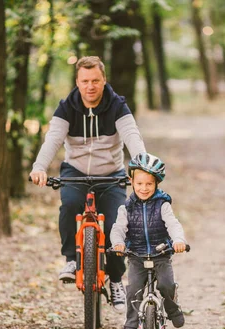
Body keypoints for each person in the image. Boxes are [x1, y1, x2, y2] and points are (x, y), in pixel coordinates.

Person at [30, 56, 145, 311]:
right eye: (85, 81)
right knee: (70, 204)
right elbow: (52, 140)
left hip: (111, 174)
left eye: (95, 80)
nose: (90, 86)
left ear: (104, 81)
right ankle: (71, 259)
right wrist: (39, 167)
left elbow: (133, 138)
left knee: (118, 222)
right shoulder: (66, 107)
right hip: (76, 172)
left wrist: (140, 167)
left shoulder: (117, 106)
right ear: (77, 82)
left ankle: (115, 279)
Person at [110, 153, 187, 329]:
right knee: (133, 290)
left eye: (149, 184)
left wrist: (178, 240)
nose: (144, 188)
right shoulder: (126, 207)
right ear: (131, 182)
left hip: (160, 253)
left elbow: (173, 224)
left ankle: (172, 308)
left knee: (166, 285)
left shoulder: (162, 205)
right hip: (136, 256)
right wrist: (118, 243)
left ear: (156, 184)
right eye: (139, 184)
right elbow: (118, 228)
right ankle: (131, 326)